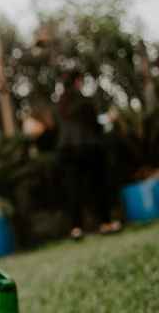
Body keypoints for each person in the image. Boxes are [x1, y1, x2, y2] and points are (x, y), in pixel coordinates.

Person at [57, 70, 121, 240]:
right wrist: (109, 119)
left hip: (66, 150)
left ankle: (76, 228)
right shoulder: (84, 101)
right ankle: (105, 223)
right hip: (87, 147)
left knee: (73, 189)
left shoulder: (61, 103)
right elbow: (95, 125)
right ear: (77, 81)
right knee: (97, 186)